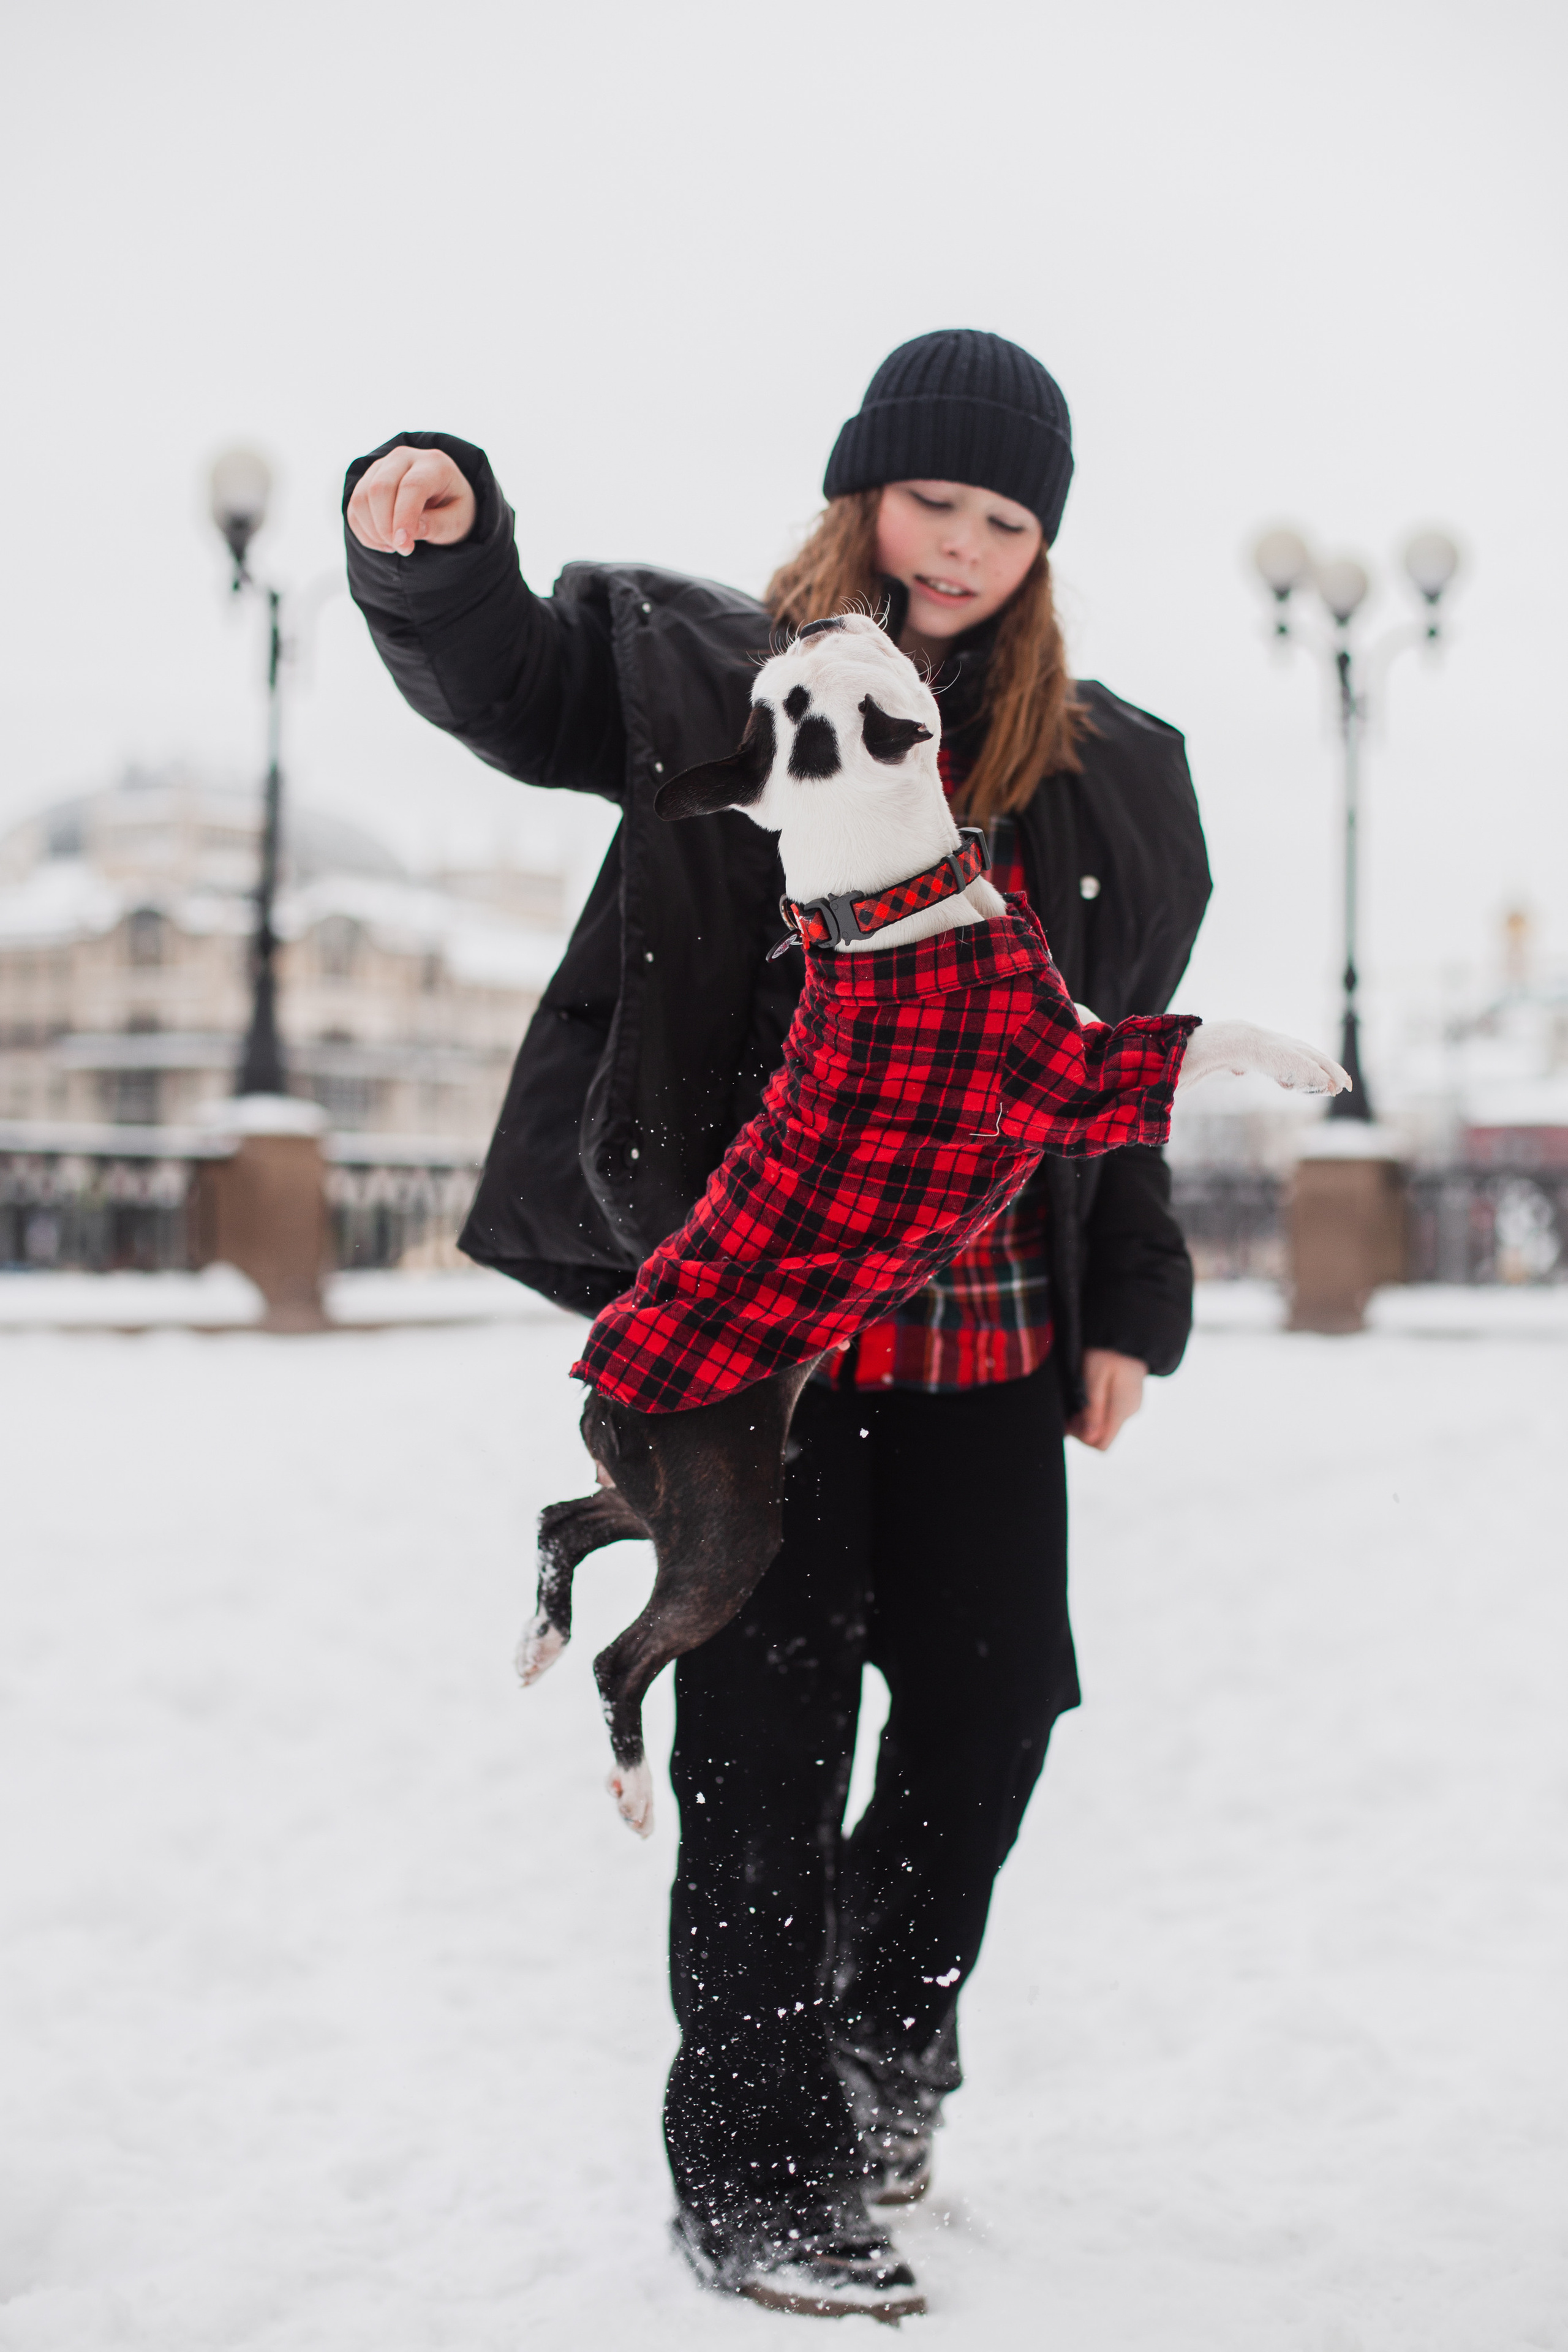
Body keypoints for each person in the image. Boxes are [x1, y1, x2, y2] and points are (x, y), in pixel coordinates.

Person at [344, 328, 1212, 2321]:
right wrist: (436, 558)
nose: (967, 544)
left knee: (1000, 1713)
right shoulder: (723, 693)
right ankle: (756, 2169)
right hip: (764, 1347)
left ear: (1044, 548)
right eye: (934, 501)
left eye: (1008, 518)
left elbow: (1111, 1072)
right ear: (860, 498)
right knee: (759, 1755)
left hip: (991, 1332)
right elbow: (521, 681)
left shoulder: (1116, 775)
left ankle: (885, 2030)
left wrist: (1131, 1300)